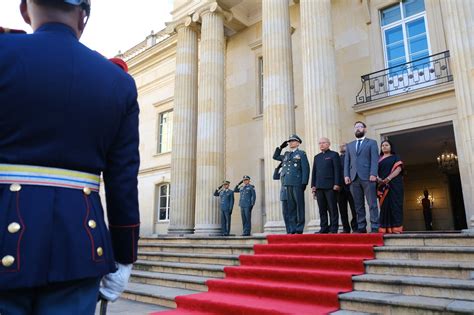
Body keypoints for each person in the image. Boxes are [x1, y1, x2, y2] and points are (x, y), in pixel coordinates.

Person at [0, 1, 140, 314]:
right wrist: (124, 255)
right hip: (79, 247)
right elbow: (122, 180)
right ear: (83, 16)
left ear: (25, 9)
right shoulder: (117, 82)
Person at [344, 121, 380, 233]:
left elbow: (375, 159)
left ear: (365, 129)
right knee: (358, 205)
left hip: (368, 177)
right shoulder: (349, 145)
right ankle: (361, 226)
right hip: (353, 178)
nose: (358, 129)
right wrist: (346, 175)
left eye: (360, 127)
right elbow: (347, 162)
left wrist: (373, 173)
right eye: (356, 127)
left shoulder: (372, 143)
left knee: (372, 203)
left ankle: (375, 226)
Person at [273, 134, 310, 234]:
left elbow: (305, 169)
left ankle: (299, 228)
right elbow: (275, 156)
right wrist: (280, 147)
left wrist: (304, 183)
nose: (290, 143)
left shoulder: (301, 154)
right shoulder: (286, 154)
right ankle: (292, 228)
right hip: (287, 183)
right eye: (289, 141)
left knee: (299, 206)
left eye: (293, 141)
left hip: (297, 183)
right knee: (291, 207)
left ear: (298, 143)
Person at [311, 138, 341, 233]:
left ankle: (333, 228)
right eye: (320, 143)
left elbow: (337, 170)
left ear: (329, 144)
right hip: (319, 186)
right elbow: (314, 172)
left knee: (332, 208)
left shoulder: (334, 155)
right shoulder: (317, 157)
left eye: (323, 143)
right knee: (322, 209)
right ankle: (323, 228)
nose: (321, 145)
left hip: (330, 186)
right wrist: (313, 185)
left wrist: (337, 183)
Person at [376, 140, 404, 234]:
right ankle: (385, 229)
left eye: (386, 145)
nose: (384, 147)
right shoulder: (378, 159)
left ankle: (396, 228)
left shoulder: (396, 157)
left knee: (395, 205)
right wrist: (378, 179)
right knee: (384, 207)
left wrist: (388, 178)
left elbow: (399, 169)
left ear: (391, 147)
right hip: (382, 185)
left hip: (394, 184)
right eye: (382, 145)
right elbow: (375, 171)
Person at [338, 143, 357, 233]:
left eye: (344, 145)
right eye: (341, 146)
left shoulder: (352, 157)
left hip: (352, 186)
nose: (342, 146)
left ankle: (356, 227)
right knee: (342, 210)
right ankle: (346, 228)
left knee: (355, 209)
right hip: (340, 188)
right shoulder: (337, 158)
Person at [273, 162, 291, 234]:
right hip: (284, 195)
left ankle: (292, 229)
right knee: (285, 213)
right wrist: (278, 167)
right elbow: (275, 177)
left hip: (290, 194)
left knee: (291, 213)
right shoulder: (282, 171)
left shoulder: (290, 170)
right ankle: (288, 230)